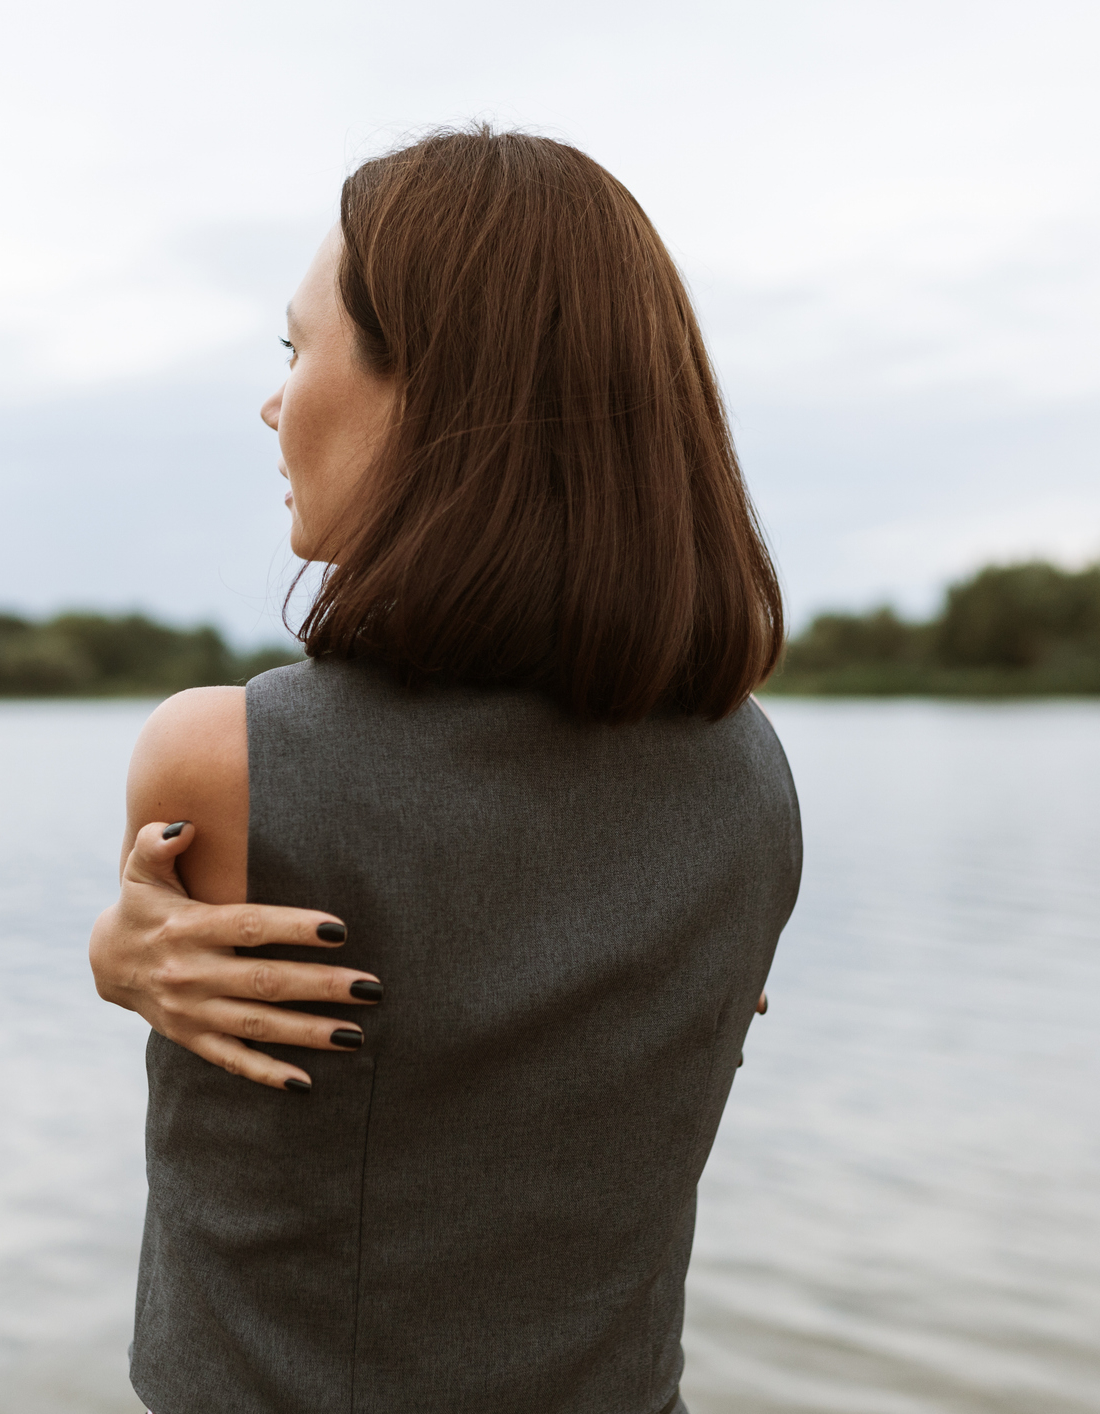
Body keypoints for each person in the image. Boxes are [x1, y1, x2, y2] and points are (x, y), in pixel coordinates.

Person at [89, 126, 802, 1414]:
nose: (274, 399)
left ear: (431, 393)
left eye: (298, 351)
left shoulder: (219, 754)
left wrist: (110, 955)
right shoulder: (749, 776)